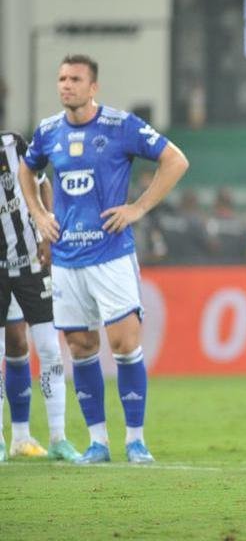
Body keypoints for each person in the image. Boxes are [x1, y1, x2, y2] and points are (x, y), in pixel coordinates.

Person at [19, 54, 190, 465]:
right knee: (80, 346)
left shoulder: (120, 126)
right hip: (66, 258)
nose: (66, 85)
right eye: (61, 78)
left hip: (111, 254)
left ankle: (135, 440)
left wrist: (138, 208)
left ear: (93, 87)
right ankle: (98, 442)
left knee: (124, 343)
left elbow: (175, 160)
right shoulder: (47, 132)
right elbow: (27, 170)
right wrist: (40, 216)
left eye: (75, 79)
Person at [2, 130, 80, 462]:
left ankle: (59, 438)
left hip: (33, 263)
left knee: (49, 350)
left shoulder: (13, 144)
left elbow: (43, 182)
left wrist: (48, 229)